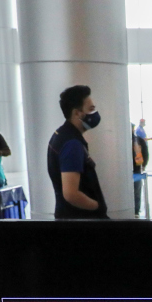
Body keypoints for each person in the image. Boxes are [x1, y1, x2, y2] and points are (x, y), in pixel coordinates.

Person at [49, 85, 108, 218]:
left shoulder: (61, 134)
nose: (95, 113)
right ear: (77, 113)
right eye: (91, 109)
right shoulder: (72, 144)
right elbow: (71, 194)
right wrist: (97, 207)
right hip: (80, 219)